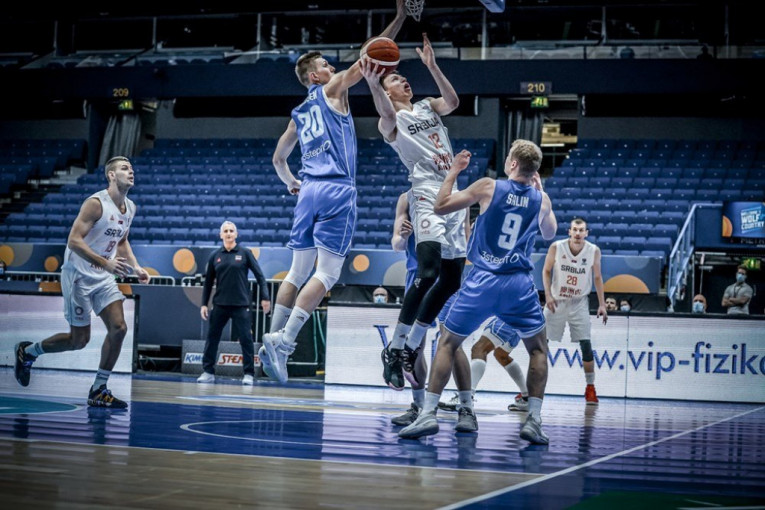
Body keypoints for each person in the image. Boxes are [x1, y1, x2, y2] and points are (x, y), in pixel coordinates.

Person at [260, 1, 407, 384]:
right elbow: (370, 54)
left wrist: (291, 182)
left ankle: (271, 341)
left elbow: (278, 159)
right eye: (325, 64)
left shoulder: (298, 113)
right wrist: (399, 18)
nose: (331, 67)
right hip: (337, 188)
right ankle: (284, 342)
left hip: (308, 189)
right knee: (327, 273)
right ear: (314, 75)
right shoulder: (332, 88)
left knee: (297, 271)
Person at [399, 139, 557, 445]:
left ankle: (428, 413)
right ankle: (534, 420)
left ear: (513, 164)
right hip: (518, 284)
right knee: (538, 350)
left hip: (483, 279)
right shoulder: (541, 199)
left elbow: (441, 205)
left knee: (448, 343)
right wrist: (541, 194)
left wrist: (454, 171)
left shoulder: (489, 187)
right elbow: (549, 232)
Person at [362, 33, 467, 393]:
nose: (403, 80)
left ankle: (410, 347)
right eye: (396, 78)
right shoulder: (391, 121)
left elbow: (452, 101)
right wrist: (374, 83)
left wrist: (433, 66)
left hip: (453, 193)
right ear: (387, 91)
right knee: (429, 270)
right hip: (425, 192)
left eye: (404, 77)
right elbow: (384, 110)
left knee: (452, 280)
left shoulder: (426, 106)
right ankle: (394, 350)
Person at [13, 156, 149, 408]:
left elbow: (121, 240)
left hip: (103, 276)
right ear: (111, 175)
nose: (131, 171)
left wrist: (136, 266)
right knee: (79, 341)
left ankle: (99, 389)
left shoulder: (130, 207)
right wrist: (106, 263)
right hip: (78, 275)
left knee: (119, 328)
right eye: (124, 168)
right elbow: (74, 241)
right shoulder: (96, 204)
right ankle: (29, 351)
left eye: (131, 168)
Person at [389, 191, 472, 429]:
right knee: (415, 347)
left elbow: (466, 242)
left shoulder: (459, 197)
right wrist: (403, 236)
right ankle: (418, 406)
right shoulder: (406, 198)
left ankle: (466, 407)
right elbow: (397, 244)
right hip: (417, 276)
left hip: (447, 275)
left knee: (452, 342)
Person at [543, 217, 608, 405]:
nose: (578, 233)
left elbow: (598, 277)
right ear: (569, 232)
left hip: (579, 302)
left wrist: (602, 304)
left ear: (586, 233)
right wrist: (547, 295)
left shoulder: (594, 250)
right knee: (540, 344)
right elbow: (546, 271)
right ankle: (529, 388)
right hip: (556, 300)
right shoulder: (557, 247)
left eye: (581, 230)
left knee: (586, 345)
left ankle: (590, 387)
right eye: (575, 230)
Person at [197, 221, 271, 385]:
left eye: (231, 231)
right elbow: (208, 283)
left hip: (241, 305)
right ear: (221, 235)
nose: (229, 233)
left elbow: (260, 276)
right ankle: (208, 371)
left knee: (246, 339)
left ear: (236, 234)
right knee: (212, 338)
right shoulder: (215, 255)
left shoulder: (245, 253)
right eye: (226, 231)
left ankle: (249, 374)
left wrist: (265, 297)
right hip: (220, 304)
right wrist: (204, 304)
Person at [438, 318, 530, 413]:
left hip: (511, 314)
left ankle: (466, 398)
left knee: (479, 349)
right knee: (501, 354)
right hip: (525, 317)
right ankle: (526, 397)